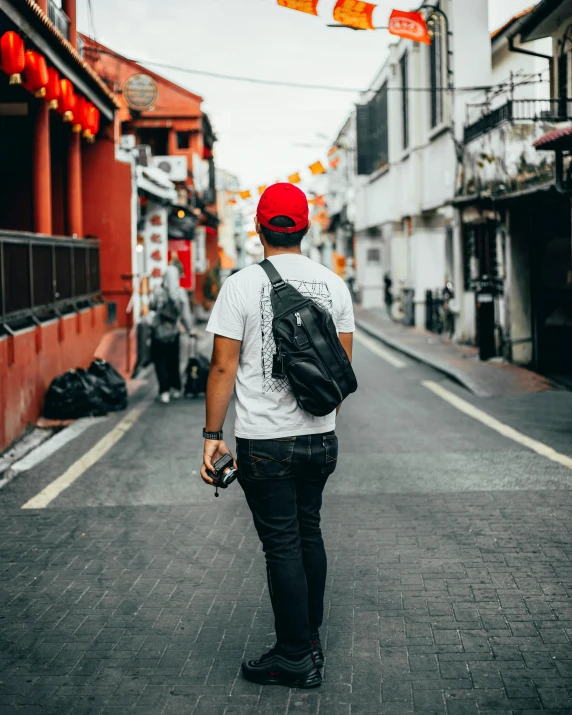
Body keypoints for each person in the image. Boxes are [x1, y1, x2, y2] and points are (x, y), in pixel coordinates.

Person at [201, 184, 355, 689]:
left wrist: (211, 435)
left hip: (265, 441)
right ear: (306, 228)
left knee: (282, 544)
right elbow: (342, 367)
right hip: (321, 436)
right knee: (307, 530)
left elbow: (223, 368)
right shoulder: (333, 285)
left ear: (259, 228)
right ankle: (307, 638)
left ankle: (292, 654)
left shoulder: (241, 285)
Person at [150, 258, 194, 403]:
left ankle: (164, 391)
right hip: (173, 332)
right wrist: (190, 330)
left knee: (160, 361)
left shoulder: (158, 292)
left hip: (158, 332)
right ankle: (176, 388)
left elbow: (152, 307)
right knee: (173, 360)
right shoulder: (180, 293)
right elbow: (185, 315)